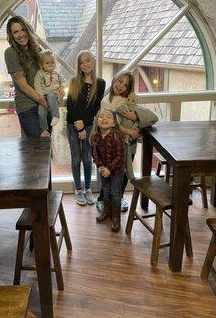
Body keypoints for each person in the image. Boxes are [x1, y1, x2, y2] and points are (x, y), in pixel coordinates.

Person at [96, 71, 158, 213]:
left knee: (123, 172)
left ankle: (120, 196)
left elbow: (145, 116)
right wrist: (130, 132)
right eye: (120, 81)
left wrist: (135, 116)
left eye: (126, 85)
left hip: (130, 145)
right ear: (114, 80)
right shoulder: (106, 101)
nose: (121, 86)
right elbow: (111, 124)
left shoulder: (129, 101)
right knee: (109, 174)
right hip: (112, 145)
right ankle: (102, 199)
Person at [4, 16, 64, 137]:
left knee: (47, 145)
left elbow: (49, 74)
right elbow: (23, 86)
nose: (20, 34)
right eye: (16, 32)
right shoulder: (10, 53)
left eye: (23, 30)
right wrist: (45, 103)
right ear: (11, 35)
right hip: (28, 107)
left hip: (44, 102)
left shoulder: (37, 50)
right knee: (38, 146)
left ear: (28, 30)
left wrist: (59, 91)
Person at [66, 50, 105, 206]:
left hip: (89, 125)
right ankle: (78, 189)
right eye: (82, 62)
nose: (85, 64)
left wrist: (85, 125)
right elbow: (71, 105)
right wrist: (79, 127)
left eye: (88, 60)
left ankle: (88, 188)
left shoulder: (100, 83)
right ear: (79, 65)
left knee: (87, 157)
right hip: (72, 124)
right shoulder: (74, 81)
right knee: (76, 158)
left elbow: (96, 108)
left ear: (93, 61)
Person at [90, 109, 126, 232]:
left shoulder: (117, 136)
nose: (104, 119)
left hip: (116, 172)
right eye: (101, 117)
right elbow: (95, 154)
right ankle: (107, 211)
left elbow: (120, 156)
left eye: (108, 117)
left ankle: (116, 217)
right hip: (103, 171)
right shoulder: (96, 136)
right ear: (97, 121)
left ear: (114, 123)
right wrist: (100, 167)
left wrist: (109, 169)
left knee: (115, 194)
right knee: (106, 192)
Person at [34, 50, 67, 137]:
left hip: (54, 94)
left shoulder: (56, 73)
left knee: (51, 95)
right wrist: (41, 95)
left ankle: (56, 115)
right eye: (47, 63)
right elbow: (37, 84)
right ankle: (44, 129)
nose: (50, 65)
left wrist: (62, 87)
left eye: (52, 62)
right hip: (44, 97)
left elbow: (64, 82)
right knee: (41, 112)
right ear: (41, 65)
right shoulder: (40, 73)